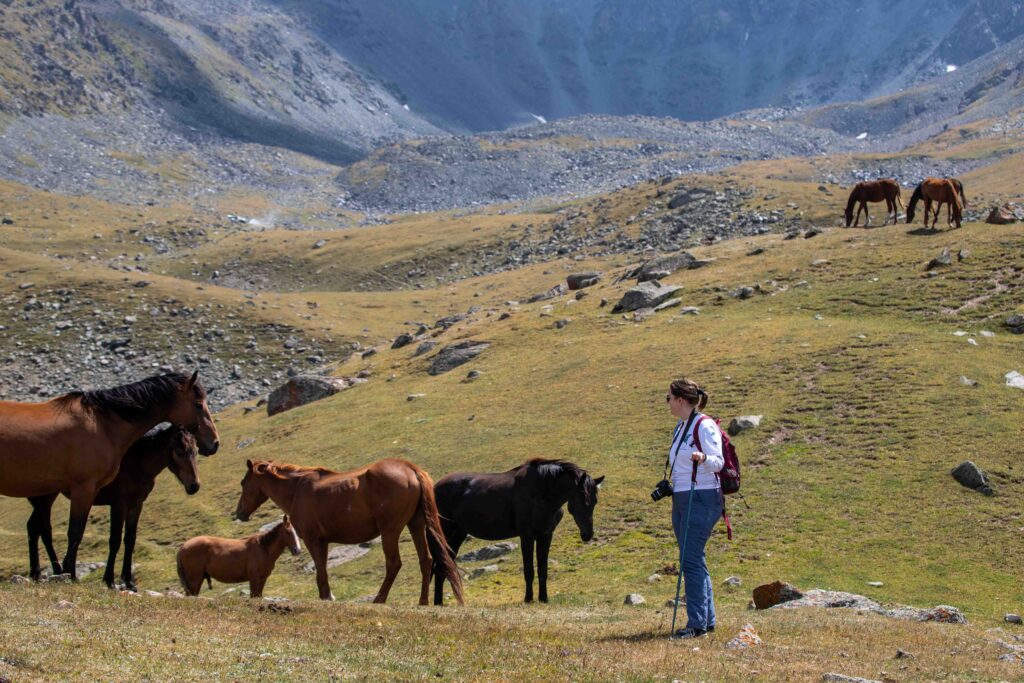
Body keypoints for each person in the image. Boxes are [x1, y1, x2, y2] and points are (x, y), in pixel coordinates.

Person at [665, 378, 724, 639]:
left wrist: (703, 458)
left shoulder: (703, 425)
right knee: (693, 557)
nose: (666, 402)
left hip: (701, 496)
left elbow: (718, 462)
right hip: (681, 497)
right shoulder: (681, 426)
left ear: (680, 400)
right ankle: (706, 620)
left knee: (690, 558)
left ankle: (697, 625)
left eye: (669, 398)